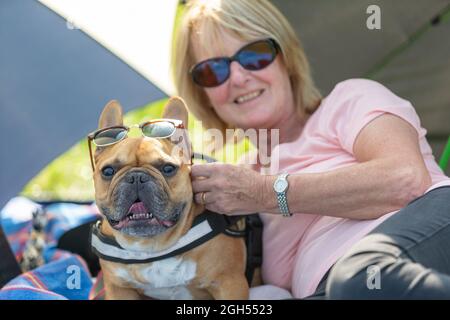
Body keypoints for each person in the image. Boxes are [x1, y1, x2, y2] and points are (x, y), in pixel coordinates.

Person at [172, 0, 450, 299]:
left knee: (360, 278)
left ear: (286, 58)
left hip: (413, 240)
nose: (239, 78)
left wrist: (265, 192)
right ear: (202, 95)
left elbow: (405, 179)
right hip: (337, 290)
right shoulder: (232, 191)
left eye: (255, 56)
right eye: (214, 71)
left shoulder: (348, 101)